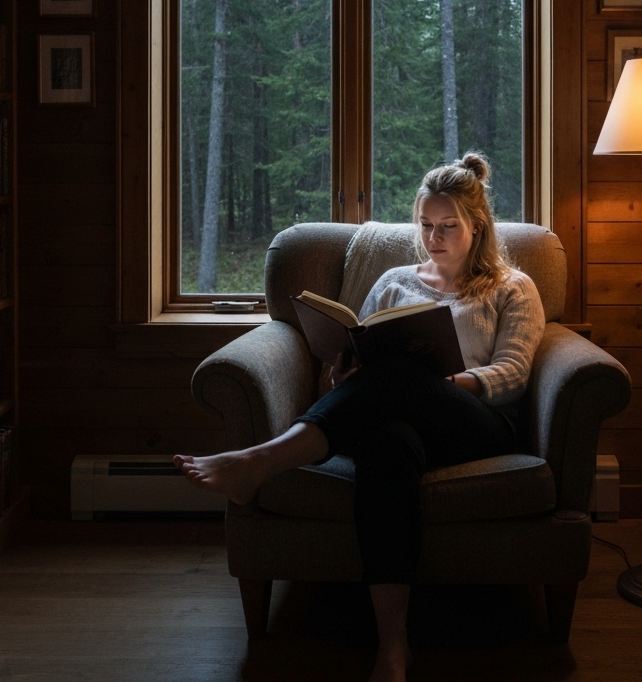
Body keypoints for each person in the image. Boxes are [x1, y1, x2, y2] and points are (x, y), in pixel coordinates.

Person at [174, 153, 545, 682]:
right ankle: (393, 645)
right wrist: (343, 376)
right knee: (387, 445)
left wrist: (438, 384)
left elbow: (513, 373)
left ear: (477, 227)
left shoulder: (511, 286)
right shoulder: (394, 280)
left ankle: (262, 461)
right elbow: (362, 347)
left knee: (401, 372)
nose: (433, 238)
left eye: (448, 227)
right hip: (396, 421)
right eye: (425, 226)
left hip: (475, 424)